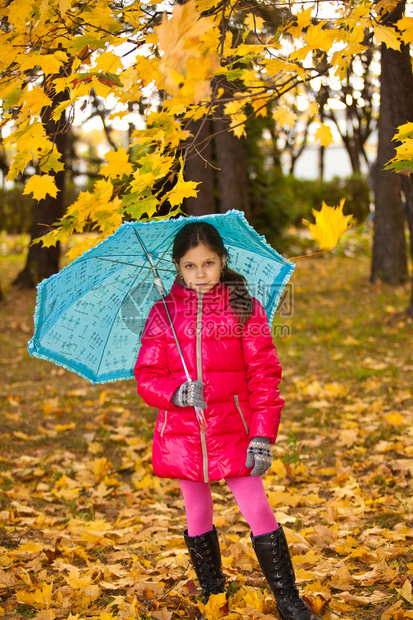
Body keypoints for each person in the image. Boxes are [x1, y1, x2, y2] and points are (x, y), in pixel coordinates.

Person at [134, 221, 321, 620]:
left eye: (208, 263)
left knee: (257, 509)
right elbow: (147, 377)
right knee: (196, 512)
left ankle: (287, 598)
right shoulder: (161, 313)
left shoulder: (243, 308)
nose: (200, 274)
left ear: (222, 261)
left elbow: (265, 377)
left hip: (235, 430)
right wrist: (177, 393)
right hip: (184, 433)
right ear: (177, 268)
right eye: (189, 266)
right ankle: (213, 592)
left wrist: (262, 435)